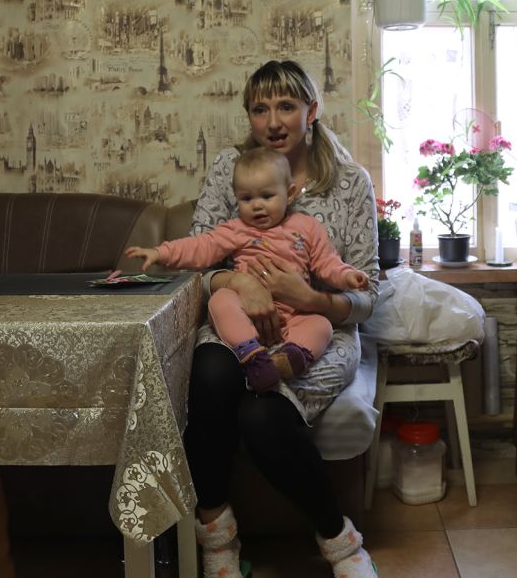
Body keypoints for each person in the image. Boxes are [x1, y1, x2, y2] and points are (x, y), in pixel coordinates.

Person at [184, 60, 380, 578]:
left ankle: (340, 541)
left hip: (319, 332)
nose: (273, 121)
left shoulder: (348, 183)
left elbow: (368, 295)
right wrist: (237, 283)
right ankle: (217, 537)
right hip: (236, 324)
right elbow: (200, 266)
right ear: (248, 116)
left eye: (287, 106)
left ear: (311, 111)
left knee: (262, 414)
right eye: (260, 108)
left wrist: (311, 299)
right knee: (209, 375)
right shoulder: (231, 167)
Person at [125, 147, 369, 392]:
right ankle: (252, 356)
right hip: (247, 311)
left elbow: (326, 262)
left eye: (267, 196)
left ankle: (289, 358)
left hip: (294, 315)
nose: (257, 206)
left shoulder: (307, 228)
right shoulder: (237, 228)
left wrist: (348, 276)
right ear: (236, 199)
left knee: (321, 325)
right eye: (247, 199)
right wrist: (160, 253)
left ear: (290, 193)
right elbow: (201, 246)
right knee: (220, 301)